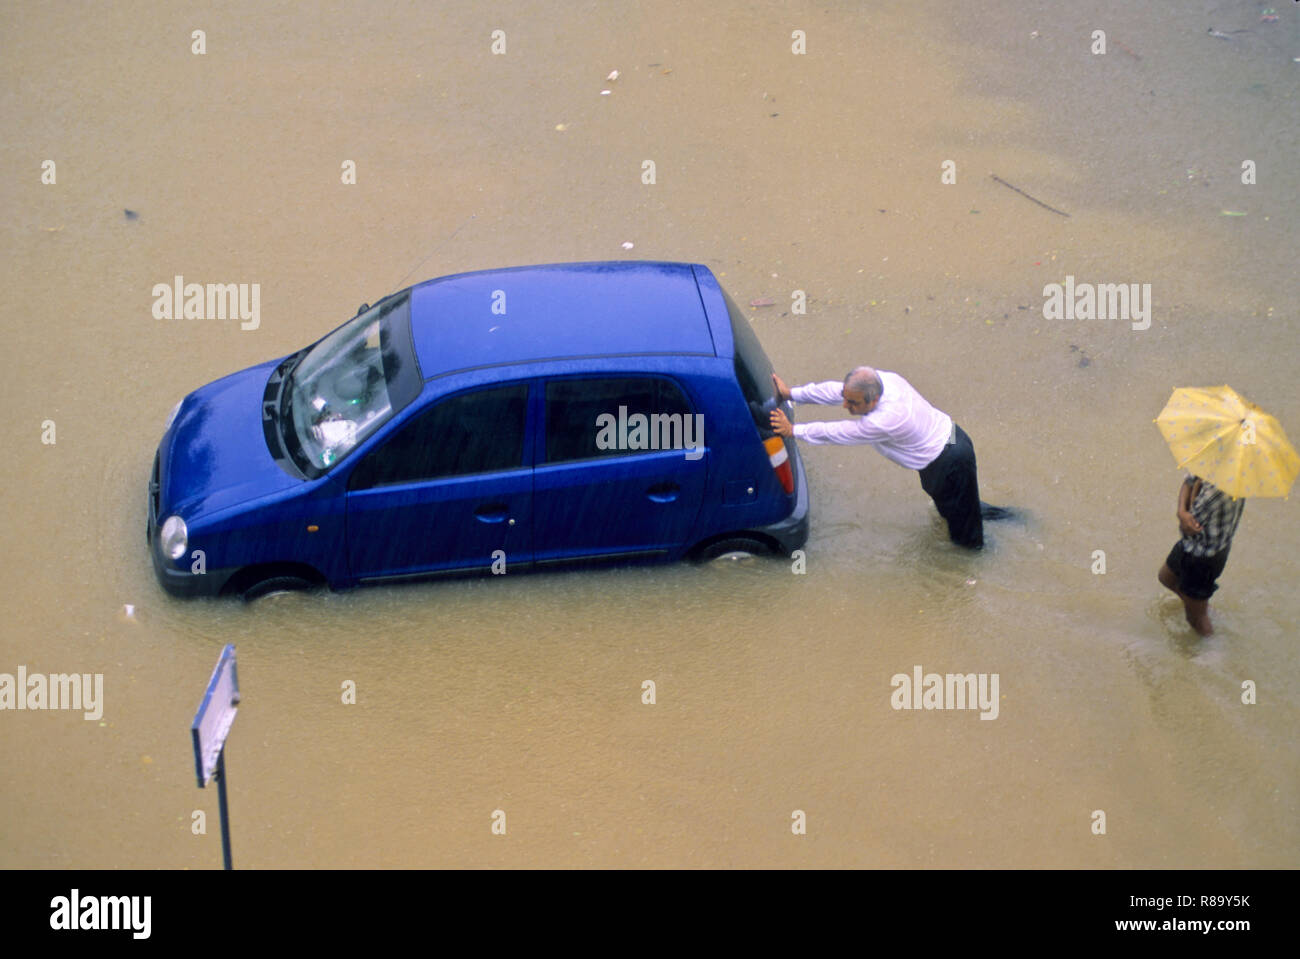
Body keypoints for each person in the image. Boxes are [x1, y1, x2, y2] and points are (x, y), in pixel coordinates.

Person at [769, 367, 1008, 549]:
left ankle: (981, 557)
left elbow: (839, 432)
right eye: (846, 398)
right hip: (952, 437)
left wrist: (793, 430)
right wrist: (791, 394)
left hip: (948, 456)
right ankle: (1005, 518)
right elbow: (836, 389)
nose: (845, 405)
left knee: (965, 541)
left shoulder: (886, 419)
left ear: (873, 401)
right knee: (956, 505)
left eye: (852, 403)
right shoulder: (880, 380)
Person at [1157, 474, 1244, 636]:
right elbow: (1188, 480)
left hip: (1203, 558)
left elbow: (1191, 523)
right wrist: (1181, 512)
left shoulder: (1223, 489)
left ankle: (1210, 647)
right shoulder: (1212, 465)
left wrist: (1185, 509)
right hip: (1192, 545)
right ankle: (1200, 607)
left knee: (1195, 620)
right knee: (1166, 577)